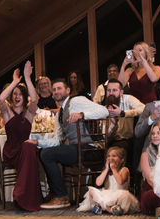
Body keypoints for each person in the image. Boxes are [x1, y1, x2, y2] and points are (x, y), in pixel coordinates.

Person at [39, 79, 109, 209]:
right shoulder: (59, 114)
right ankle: (57, 193)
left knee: (47, 154)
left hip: (91, 149)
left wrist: (82, 115)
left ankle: (61, 196)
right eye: (54, 90)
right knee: (44, 152)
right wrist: (37, 142)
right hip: (77, 149)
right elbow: (56, 140)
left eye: (59, 88)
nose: (56, 92)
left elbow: (104, 111)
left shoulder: (77, 101)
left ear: (67, 90)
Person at [0, 61, 44, 211]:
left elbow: (35, 100)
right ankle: (23, 195)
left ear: (24, 98)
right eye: (14, 94)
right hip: (12, 151)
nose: (17, 96)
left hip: (25, 150)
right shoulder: (7, 112)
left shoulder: (29, 113)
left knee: (28, 146)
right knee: (28, 148)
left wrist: (27, 77)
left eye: (20, 94)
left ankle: (23, 196)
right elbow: (0, 99)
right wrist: (15, 82)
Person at [76, 146, 139, 215]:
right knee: (92, 191)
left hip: (120, 195)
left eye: (114, 156)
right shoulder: (107, 171)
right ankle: (110, 209)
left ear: (122, 160)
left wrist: (114, 169)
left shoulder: (124, 170)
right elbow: (98, 183)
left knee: (125, 195)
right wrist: (106, 169)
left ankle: (102, 207)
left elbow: (120, 182)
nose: (111, 158)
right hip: (108, 194)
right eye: (108, 156)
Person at [103, 79, 145, 161]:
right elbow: (105, 136)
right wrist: (113, 124)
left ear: (121, 92)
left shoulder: (128, 99)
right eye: (109, 90)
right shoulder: (104, 108)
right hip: (110, 141)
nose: (111, 93)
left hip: (126, 139)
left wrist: (123, 113)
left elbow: (143, 108)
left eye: (114, 90)